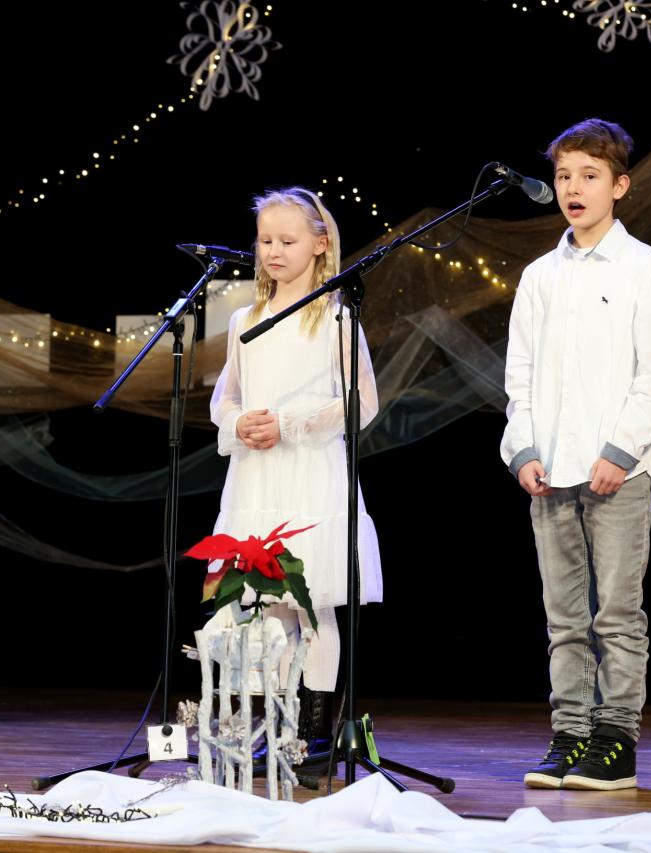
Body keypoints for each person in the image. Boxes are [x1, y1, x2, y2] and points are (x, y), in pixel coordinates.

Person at [501, 119, 651, 790]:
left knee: (617, 614)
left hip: (617, 470)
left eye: (589, 176)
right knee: (564, 616)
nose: (573, 188)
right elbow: (519, 376)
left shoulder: (645, 266)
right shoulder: (539, 275)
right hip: (549, 469)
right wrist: (522, 449)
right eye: (563, 176)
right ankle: (571, 731)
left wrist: (620, 450)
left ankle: (615, 739)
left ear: (619, 185)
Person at [210, 187, 382, 749]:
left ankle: (314, 731)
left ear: (320, 243)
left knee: (311, 605)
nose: (274, 251)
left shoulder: (335, 318)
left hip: (311, 473)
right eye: (265, 241)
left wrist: (289, 423)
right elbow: (224, 398)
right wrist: (240, 423)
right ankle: (280, 727)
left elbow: (362, 401)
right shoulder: (245, 320)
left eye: (287, 240)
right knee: (267, 606)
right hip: (258, 477)